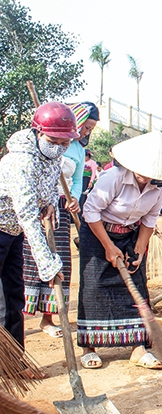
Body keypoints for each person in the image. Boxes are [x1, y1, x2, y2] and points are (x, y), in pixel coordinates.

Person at [77, 131, 162, 370]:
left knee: (136, 286)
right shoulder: (111, 177)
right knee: (94, 287)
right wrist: (109, 246)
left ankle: (138, 348)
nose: (146, 179)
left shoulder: (160, 185)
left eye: (152, 174)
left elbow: (150, 217)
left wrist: (139, 249)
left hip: (132, 233)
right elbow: (90, 212)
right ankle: (88, 347)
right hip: (97, 233)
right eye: (143, 172)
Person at [0, 101, 78, 347]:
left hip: (13, 234)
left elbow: (51, 187)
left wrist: (52, 203)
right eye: (53, 142)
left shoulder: (52, 158)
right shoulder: (20, 162)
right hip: (5, 228)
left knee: (14, 298)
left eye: (65, 143)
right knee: (1, 303)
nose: (59, 148)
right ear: (38, 133)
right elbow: (26, 215)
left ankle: (16, 362)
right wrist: (48, 264)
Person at [22, 101, 99, 338]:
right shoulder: (38, 143)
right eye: (85, 126)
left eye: (90, 129)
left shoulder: (76, 149)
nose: (85, 132)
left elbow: (76, 180)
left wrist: (73, 198)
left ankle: (48, 319)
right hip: (32, 205)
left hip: (61, 208)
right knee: (28, 260)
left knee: (59, 258)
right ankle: (17, 319)